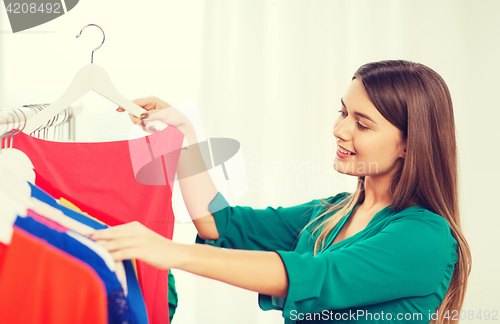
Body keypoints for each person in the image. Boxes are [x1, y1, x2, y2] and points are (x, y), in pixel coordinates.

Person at [91, 60, 471, 324]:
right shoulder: (333, 213)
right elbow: (221, 225)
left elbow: (315, 274)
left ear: (409, 143)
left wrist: (171, 254)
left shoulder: (426, 237)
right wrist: (185, 135)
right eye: (343, 113)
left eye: (363, 124)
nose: (340, 130)